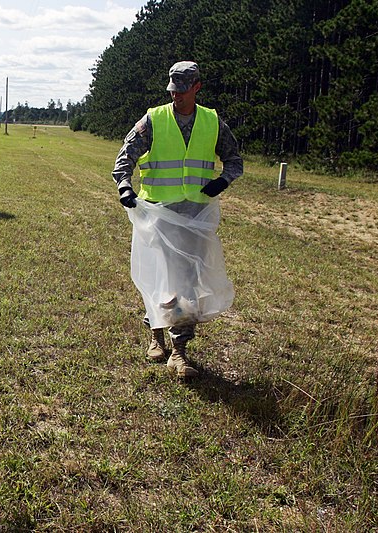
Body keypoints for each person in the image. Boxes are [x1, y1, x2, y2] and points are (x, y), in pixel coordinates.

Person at [112, 61, 243, 379]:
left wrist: (222, 181)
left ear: (197, 87)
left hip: (195, 218)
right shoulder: (153, 120)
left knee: (182, 283)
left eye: (183, 91)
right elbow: (124, 159)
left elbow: (235, 160)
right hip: (159, 216)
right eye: (173, 91)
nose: (177, 97)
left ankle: (166, 342)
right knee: (169, 282)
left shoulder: (212, 122)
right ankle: (175, 350)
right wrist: (125, 186)